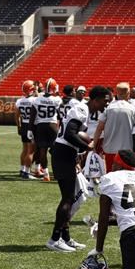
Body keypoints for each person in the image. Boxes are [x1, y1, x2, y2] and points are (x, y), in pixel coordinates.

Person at [47, 84, 100, 252]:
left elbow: (74, 133)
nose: (106, 105)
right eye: (104, 101)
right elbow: (70, 134)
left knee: (71, 198)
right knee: (68, 198)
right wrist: (88, 147)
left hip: (67, 153)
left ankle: (65, 237)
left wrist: (79, 150)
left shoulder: (82, 109)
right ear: (96, 99)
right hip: (63, 152)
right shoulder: (82, 109)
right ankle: (54, 239)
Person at [92, 82, 135, 172]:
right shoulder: (133, 109)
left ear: (116, 93)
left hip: (109, 149)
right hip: (126, 150)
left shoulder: (108, 109)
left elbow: (99, 128)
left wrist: (94, 144)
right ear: (128, 93)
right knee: (127, 177)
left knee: (111, 175)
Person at [31, 78, 62, 182]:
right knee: (56, 151)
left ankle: (46, 175)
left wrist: (30, 130)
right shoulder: (57, 99)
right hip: (53, 126)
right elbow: (61, 114)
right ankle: (57, 172)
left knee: (42, 151)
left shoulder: (37, 99)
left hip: (41, 126)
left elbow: (32, 116)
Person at [16, 80, 37, 179]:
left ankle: (22, 169)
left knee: (24, 150)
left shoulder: (19, 101)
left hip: (23, 125)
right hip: (31, 126)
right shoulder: (34, 100)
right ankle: (27, 172)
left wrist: (19, 127)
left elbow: (17, 116)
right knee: (30, 151)